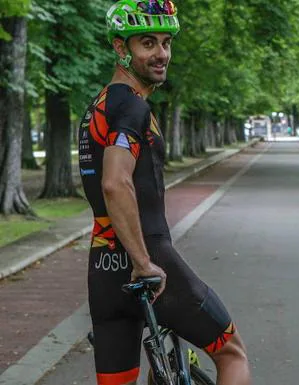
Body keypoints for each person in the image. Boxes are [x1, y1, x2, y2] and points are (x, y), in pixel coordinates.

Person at [78, 1, 251, 384]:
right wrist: (143, 262)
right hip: (151, 264)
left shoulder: (98, 107)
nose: (162, 54)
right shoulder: (131, 107)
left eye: (166, 42)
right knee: (231, 352)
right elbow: (114, 182)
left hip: (103, 271)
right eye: (147, 43)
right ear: (121, 49)